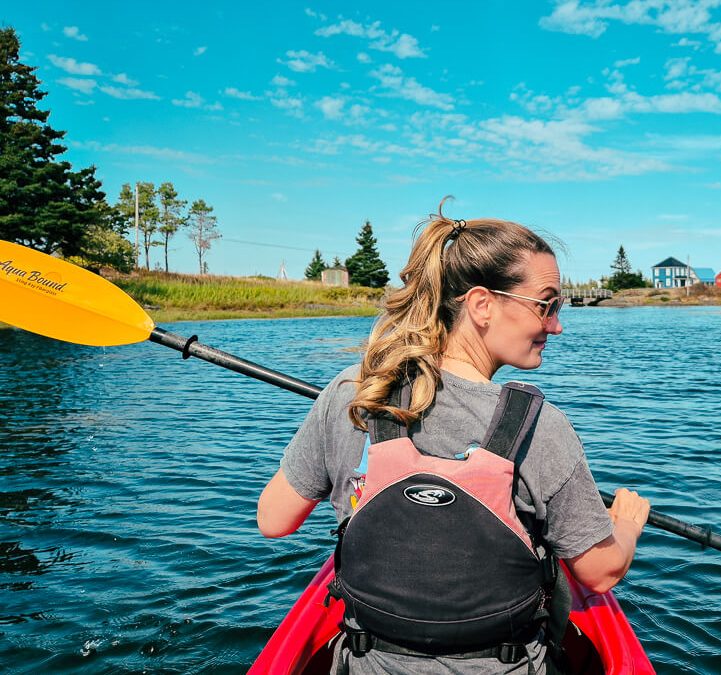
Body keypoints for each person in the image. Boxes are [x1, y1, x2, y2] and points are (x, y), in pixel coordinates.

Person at [256, 200, 651, 674]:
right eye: (546, 304)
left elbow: (274, 519)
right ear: (482, 305)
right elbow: (600, 571)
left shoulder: (350, 393)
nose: (557, 324)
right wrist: (626, 524)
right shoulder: (541, 426)